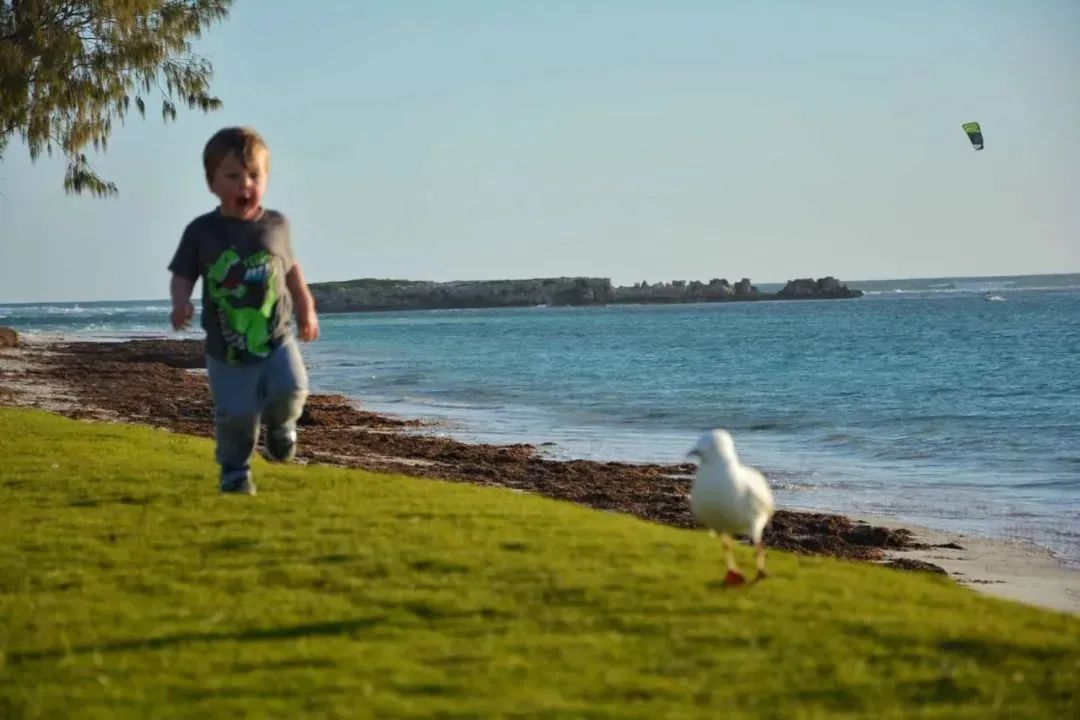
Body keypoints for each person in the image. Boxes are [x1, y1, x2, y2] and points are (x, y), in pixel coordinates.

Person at [168, 126, 319, 495]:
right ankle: (235, 472)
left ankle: (282, 429)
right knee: (236, 415)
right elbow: (183, 274)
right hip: (226, 348)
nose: (245, 185)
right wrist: (180, 302)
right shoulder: (202, 231)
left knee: (293, 387)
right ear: (212, 183)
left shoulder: (276, 226)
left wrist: (307, 310)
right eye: (233, 176)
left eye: (254, 175)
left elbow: (293, 272)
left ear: (265, 178)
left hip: (277, 337)